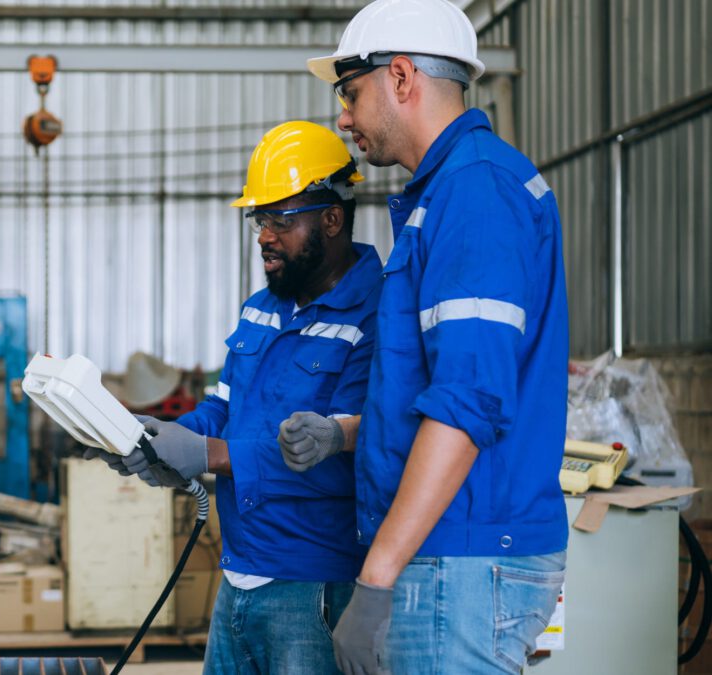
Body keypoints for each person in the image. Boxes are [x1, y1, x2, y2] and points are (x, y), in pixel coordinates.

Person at [279, 1, 570, 673]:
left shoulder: (474, 193)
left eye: (351, 94)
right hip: (450, 554)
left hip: (462, 557)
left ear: (403, 78)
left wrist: (377, 577)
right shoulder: (449, 194)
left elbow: (468, 403)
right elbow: (428, 387)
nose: (344, 117)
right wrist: (345, 431)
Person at [92, 121, 382, 674]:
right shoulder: (261, 308)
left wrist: (209, 456)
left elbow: (349, 450)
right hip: (238, 575)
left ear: (332, 218)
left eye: (280, 219)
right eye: (259, 219)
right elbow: (223, 410)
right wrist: (151, 439)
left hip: (312, 587)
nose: (264, 236)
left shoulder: (374, 318)